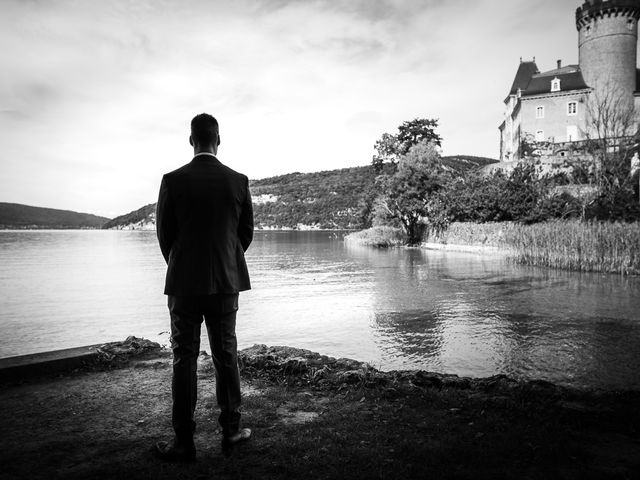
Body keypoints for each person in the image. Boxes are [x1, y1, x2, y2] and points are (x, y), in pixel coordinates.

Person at [154, 113, 254, 461]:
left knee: (184, 358)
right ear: (218, 140)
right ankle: (231, 431)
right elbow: (245, 235)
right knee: (226, 355)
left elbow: (164, 236)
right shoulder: (238, 181)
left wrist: (182, 264)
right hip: (226, 283)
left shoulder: (172, 180)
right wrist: (225, 260)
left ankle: (184, 440)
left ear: (191, 140)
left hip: (183, 284)